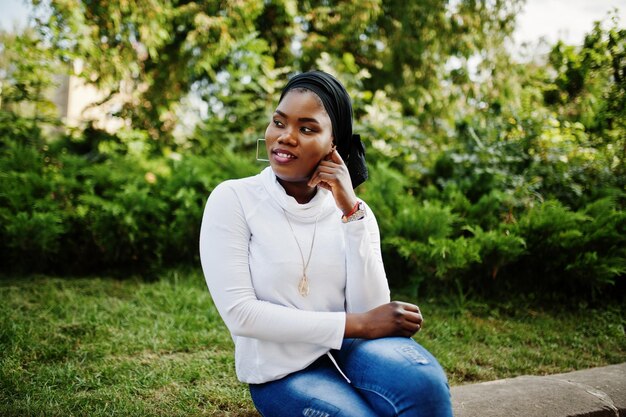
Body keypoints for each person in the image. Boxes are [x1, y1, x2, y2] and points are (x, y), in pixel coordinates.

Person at [199, 70, 452, 417]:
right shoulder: (234, 199)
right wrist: (358, 325)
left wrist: (351, 211)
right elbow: (242, 315)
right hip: (283, 374)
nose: (285, 137)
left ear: (334, 143)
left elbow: (373, 310)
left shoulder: (353, 213)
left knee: (426, 386)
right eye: (279, 122)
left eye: (307, 128)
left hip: (354, 353)